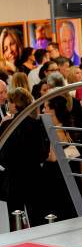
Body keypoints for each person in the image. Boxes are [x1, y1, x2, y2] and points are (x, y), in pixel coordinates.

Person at [0, 88, 49, 227]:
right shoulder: (36, 123)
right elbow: (42, 152)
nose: (8, 104)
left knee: (15, 218)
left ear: (15, 104)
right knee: (37, 216)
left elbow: (3, 154)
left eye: (9, 101)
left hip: (14, 178)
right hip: (34, 175)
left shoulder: (8, 125)